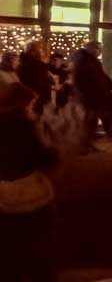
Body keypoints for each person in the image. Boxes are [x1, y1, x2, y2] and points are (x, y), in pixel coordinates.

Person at [0, 82, 58, 282]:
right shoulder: (24, 127)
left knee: (8, 249)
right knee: (38, 246)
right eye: (31, 104)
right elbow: (43, 158)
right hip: (30, 196)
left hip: (3, 196)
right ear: (22, 104)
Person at [71, 41, 112, 145]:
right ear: (93, 49)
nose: (100, 51)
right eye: (99, 49)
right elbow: (95, 79)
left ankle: (88, 143)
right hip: (90, 96)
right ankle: (85, 144)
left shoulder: (89, 61)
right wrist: (106, 85)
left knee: (92, 121)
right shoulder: (86, 62)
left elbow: (100, 77)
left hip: (92, 96)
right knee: (89, 122)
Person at [14, 44, 53, 116]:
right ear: (34, 52)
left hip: (24, 98)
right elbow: (42, 83)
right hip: (38, 97)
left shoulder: (20, 64)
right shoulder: (39, 65)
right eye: (39, 50)